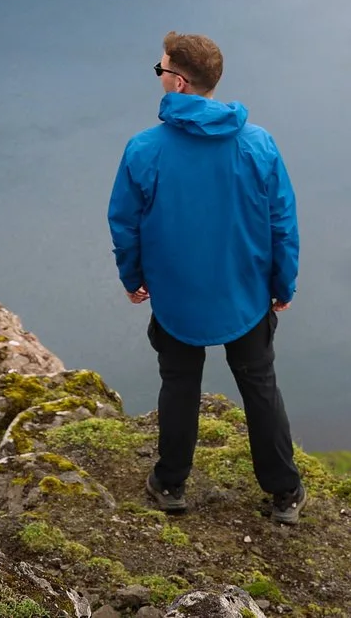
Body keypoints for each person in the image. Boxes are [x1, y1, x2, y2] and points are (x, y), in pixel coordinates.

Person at [106, 30, 304, 523]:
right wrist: (283, 283)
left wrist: (133, 278)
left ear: (178, 82)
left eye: (160, 69)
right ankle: (284, 493)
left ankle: (171, 484)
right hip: (246, 293)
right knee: (259, 385)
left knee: (179, 384)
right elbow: (282, 222)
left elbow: (125, 224)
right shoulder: (258, 144)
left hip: (176, 296)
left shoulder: (144, 149)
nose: (159, 76)